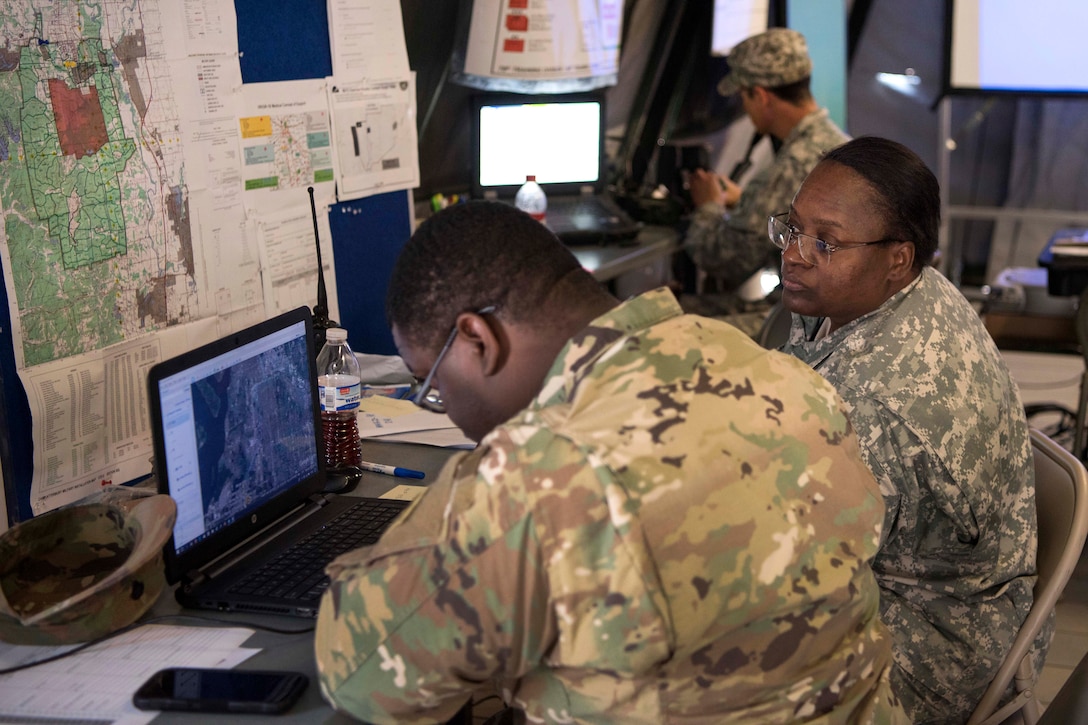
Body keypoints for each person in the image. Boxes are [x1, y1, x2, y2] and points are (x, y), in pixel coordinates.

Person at [314, 200, 907, 724]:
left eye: (432, 386)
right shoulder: (773, 370)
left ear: (477, 340)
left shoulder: (544, 474)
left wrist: (466, 491)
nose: (446, 411)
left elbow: (361, 675)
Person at [775, 136, 1038, 724]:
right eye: (792, 228)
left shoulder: (879, 406)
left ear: (898, 257)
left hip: (930, 644)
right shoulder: (886, 286)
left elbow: (798, 570)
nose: (794, 253)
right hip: (907, 573)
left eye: (825, 242)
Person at [684, 27, 849, 293]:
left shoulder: (792, 163)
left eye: (743, 98)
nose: (745, 109)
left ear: (761, 97)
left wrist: (708, 206)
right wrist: (746, 199)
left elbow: (727, 259)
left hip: (798, 320)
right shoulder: (833, 141)